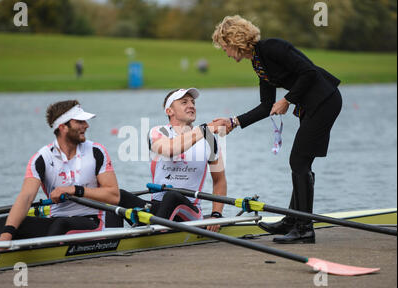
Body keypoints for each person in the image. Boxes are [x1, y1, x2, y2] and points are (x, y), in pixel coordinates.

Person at [212, 16, 342, 244]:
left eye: (225, 47)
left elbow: (309, 72)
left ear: (234, 40)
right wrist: (233, 122)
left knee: (299, 162)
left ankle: (304, 228)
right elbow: (266, 106)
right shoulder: (258, 63)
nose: (226, 52)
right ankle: (293, 221)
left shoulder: (272, 47)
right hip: (311, 105)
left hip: (325, 100)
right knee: (300, 162)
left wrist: (288, 99)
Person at [0, 100, 120, 247]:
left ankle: (41, 253)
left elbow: (114, 196)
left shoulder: (96, 152)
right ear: (63, 127)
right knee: (4, 223)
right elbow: (26, 198)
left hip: (91, 222)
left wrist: (76, 190)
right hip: (57, 221)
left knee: (61, 224)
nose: (86, 125)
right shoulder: (41, 158)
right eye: (79, 121)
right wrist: (7, 234)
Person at [117, 88, 228, 232]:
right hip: (156, 207)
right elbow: (169, 150)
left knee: (172, 195)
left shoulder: (209, 140)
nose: (191, 105)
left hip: (189, 211)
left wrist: (216, 214)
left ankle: (151, 233)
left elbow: (219, 180)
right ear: (169, 111)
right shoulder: (157, 132)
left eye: (193, 102)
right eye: (184, 102)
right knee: (116, 195)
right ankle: (109, 239)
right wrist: (205, 129)